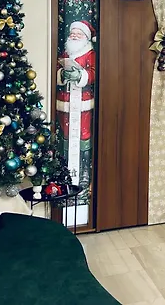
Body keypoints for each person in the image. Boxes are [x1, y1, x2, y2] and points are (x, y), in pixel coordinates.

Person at [56, 21, 96, 203]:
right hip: (65, 101)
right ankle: (66, 171)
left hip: (83, 102)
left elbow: (93, 72)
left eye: (78, 34)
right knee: (66, 134)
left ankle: (84, 173)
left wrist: (81, 75)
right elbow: (57, 68)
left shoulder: (90, 53)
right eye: (72, 33)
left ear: (85, 36)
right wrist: (62, 75)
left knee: (83, 135)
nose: (74, 36)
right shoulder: (66, 52)